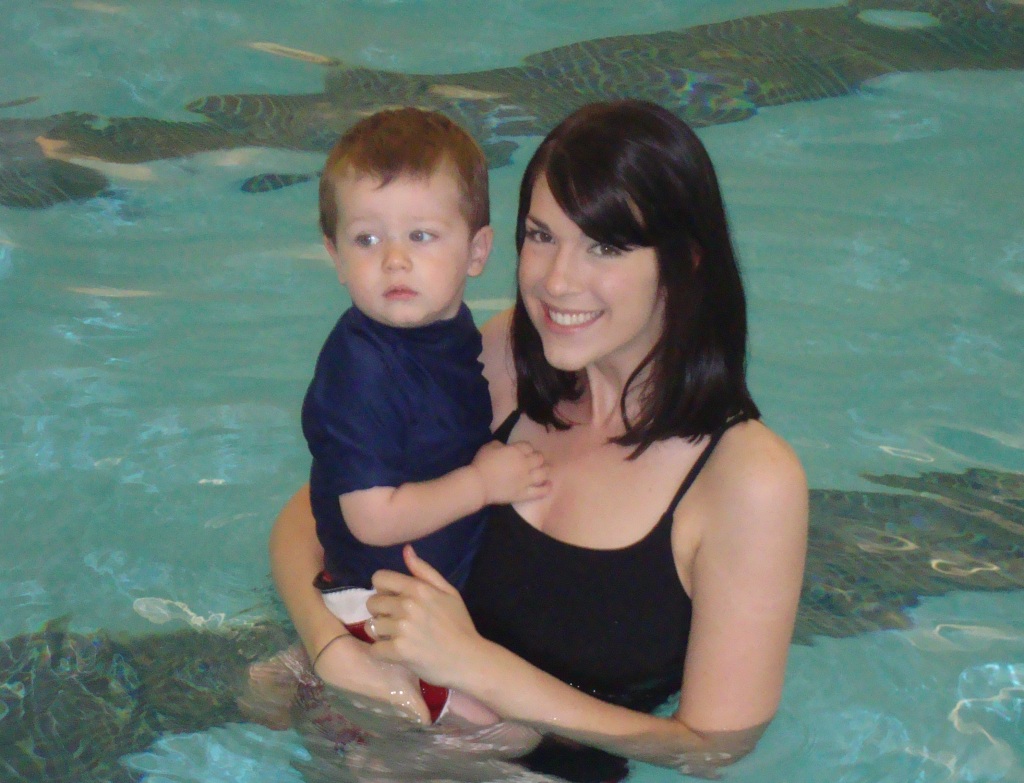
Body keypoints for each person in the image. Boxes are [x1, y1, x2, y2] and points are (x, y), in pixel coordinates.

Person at [269, 100, 808, 781]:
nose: (557, 280)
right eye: (541, 235)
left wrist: (483, 670)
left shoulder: (747, 481)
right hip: (372, 715)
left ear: (685, 261)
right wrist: (326, 647)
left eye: (605, 246)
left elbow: (711, 745)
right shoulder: (496, 359)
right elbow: (306, 519)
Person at [247, 107, 550, 731]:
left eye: (422, 235)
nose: (394, 261)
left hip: (405, 592)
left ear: (477, 251)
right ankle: (335, 688)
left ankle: (307, 670)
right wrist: (483, 486)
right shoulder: (361, 369)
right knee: (502, 736)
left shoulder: (443, 331)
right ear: (334, 255)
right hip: (376, 599)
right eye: (367, 239)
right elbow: (370, 515)